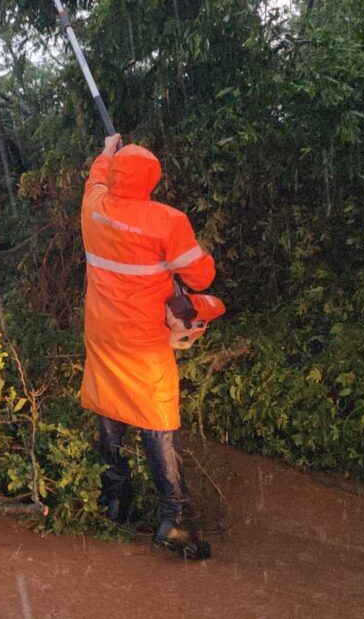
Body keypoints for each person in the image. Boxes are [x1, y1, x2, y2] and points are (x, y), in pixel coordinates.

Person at [80, 133, 215, 560]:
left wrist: (107, 151)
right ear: (153, 179)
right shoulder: (167, 221)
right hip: (144, 342)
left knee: (110, 411)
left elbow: (95, 179)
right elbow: (201, 278)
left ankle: (115, 505)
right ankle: (173, 519)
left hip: (103, 334)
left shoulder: (94, 209)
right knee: (157, 420)